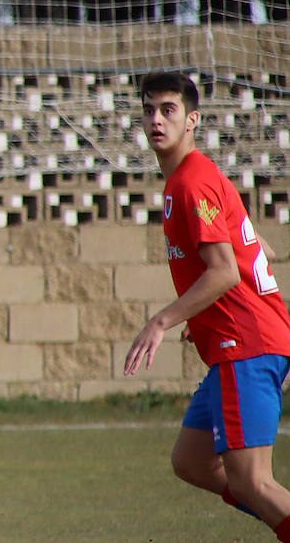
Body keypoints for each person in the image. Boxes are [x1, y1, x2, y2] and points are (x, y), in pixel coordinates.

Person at [125, 71, 290, 539]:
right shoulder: (194, 177)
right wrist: (201, 313)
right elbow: (256, 249)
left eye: (168, 110)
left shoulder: (190, 183)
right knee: (193, 460)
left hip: (248, 344)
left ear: (192, 119)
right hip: (240, 343)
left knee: (253, 481)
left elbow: (224, 271)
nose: (156, 119)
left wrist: (163, 320)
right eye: (149, 109)